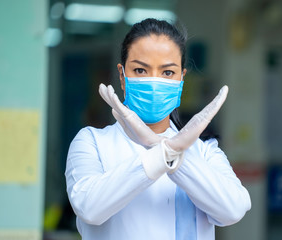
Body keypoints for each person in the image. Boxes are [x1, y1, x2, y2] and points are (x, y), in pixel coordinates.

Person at [65, 18, 251, 240]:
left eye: (167, 73)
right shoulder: (92, 142)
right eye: (141, 70)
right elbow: (90, 208)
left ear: (182, 78)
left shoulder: (204, 152)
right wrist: (162, 154)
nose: (154, 82)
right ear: (122, 76)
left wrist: (168, 152)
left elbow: (233, 210)